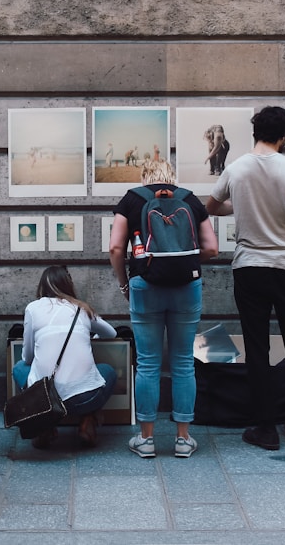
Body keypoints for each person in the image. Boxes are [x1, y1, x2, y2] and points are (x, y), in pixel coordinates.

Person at [205, 106, 285, 451]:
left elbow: (211, 208)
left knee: (256, 346)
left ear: (255, 131)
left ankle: (265, 427)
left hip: (249, 266)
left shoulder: (236, 168)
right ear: (284, 136)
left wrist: (240, 207)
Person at [109, 160, 217, 458]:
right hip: (187, 286)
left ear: (145, 177)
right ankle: (183, 440)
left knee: (148, 363)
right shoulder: (189, 199)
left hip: (145, 285)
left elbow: (116, 248)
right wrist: (183, 263)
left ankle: (146, 440)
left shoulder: (132, 199)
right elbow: (211, 247)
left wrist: (124, 283)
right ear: (172, 176)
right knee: (183, 362)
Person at [13, 266, 117, 449]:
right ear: (69, 284)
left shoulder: (33, 308)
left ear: (42, 286)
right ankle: (88, 420)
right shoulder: (81, 308)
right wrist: (92, 338)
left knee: (19, 368)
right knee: (108, 371)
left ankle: (45, 424)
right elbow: (111, 332)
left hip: (46, 399)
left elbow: (27, 358)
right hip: (84, 399)